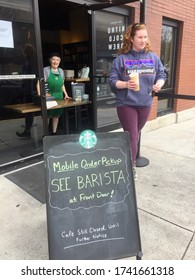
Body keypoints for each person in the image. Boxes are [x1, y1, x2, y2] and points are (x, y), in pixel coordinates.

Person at [109, 23, 166, 180]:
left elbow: (161, 74)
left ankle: (124, 154)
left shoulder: (152, 58)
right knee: (133, 135)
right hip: (126, 103)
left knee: (134, 134)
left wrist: (159, 84)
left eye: (145, 37)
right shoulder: (121, 60)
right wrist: (126, 84)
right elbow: (112, 81)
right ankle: (130, 166)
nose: (143, 40)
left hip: (145, 102)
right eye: (140, 37)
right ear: (131, 38)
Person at [42, 52, 71, 135]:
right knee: (48, 116)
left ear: (60, 61)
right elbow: (42, 83)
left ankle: (54, 132)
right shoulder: (46, 70)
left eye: (57, 60)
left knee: (56, 115)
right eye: (53, 59)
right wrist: (44, 93)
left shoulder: (61, 71)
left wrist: (66, 94)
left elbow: (62, 84)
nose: (55, 61)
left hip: (59, 96)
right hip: (49, 96)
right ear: (50, 60)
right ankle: (45, 134)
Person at [16, 43, 37, 137]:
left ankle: (27, 131)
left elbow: (28, 75)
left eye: (23, 52)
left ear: (26, 52)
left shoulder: (29, 62)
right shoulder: (35, 60)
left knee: (29, 111)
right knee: (31, 110)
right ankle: (28, 130)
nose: (22, 54)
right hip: (32, 88)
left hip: (29, 89)